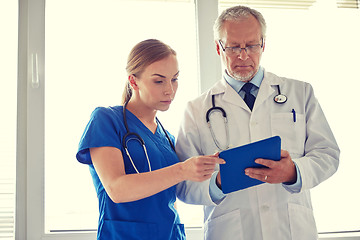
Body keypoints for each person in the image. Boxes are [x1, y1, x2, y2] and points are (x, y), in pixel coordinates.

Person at [176, 5, 340, 240]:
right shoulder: (196, 110)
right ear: (218, 47)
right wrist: (219, 182)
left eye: (251, 45)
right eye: (233, 47)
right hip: (230, 231)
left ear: (263, 44)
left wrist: (294, 171)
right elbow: (183, 185)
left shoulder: (300, 93)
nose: (243, 55)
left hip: (292, 230)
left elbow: (328, 154)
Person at [76, 39, 224, 240]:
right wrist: (183, 170)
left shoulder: (168, 138)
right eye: (159, 81)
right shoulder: (106, 120)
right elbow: (116, 189)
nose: (169, 90)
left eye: (174, 79)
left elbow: (181, 190)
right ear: (134, 81)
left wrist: (216, 176)